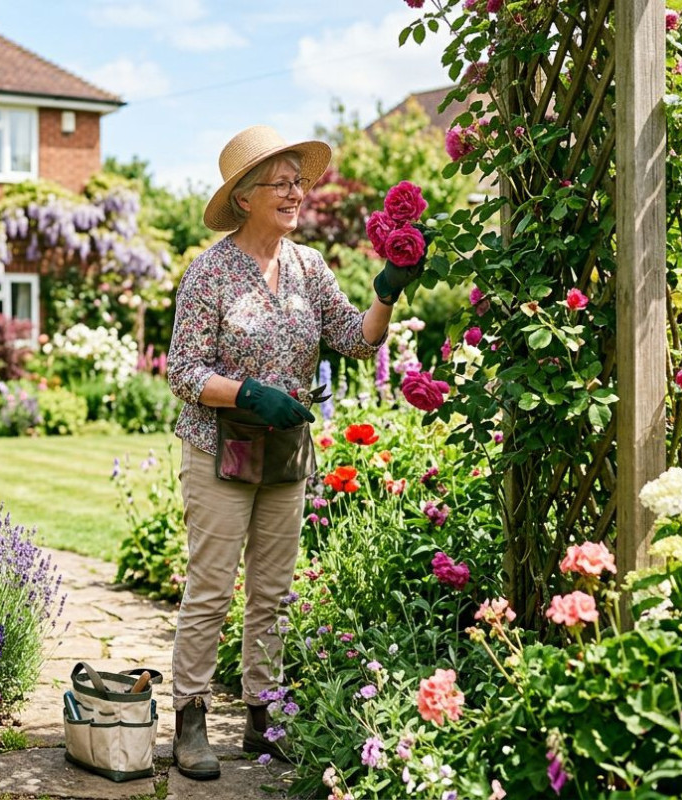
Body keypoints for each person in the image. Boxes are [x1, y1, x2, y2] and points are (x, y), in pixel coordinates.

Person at [165, 125, 426, 780]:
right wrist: (248, 392)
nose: (294, 193)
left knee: (274, 592)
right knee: (211, 587)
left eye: (297, 181)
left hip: (285, 452)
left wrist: (387, 291)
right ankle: (189, 718)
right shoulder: (210, 273)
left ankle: (264, 715)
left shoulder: (309, 268)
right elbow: (183, 371)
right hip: (221, 446)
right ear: (245, 196)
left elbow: (357, 340)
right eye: (279, 183)